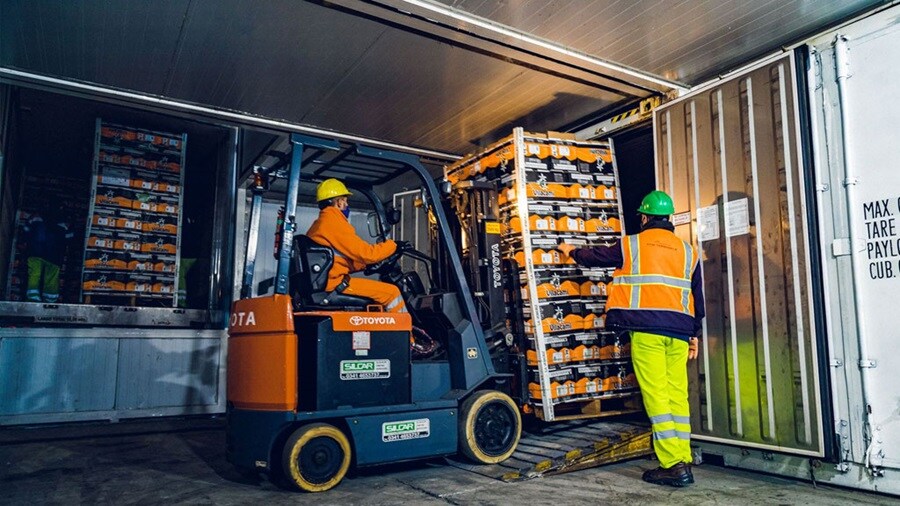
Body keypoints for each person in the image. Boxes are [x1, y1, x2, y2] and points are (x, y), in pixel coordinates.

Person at [559, 190, 705, 487]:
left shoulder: (633, 244)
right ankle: (683, 456)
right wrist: (695, 334)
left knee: (657, 397)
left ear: (644, 216)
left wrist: (569, 250)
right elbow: (697, 298)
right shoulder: (689, 251)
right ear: (669, 219)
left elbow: (595, 257)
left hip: (648, 332)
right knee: (677, 395)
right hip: (679, 334)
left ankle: (673, 465)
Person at [306, 178, 407, 313]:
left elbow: (338, 259)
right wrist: (392, 245)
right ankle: (405, 333)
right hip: (333, 284)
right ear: (339, 201)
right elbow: (368, 254)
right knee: (392, 293)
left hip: (327, 282)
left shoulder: (319, 224)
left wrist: (365, 266)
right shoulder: (333, 222)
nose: (347, 204)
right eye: (345, 200)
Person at [22, 209, 74, 303]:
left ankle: (33, 298)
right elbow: (70, 237)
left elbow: (26, 229)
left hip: (35, 250)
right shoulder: (65, 221)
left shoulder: (36, 216)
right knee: (51, 277)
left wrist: (25, 241)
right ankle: (50, 300)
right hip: (54, 253)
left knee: (34, 274)